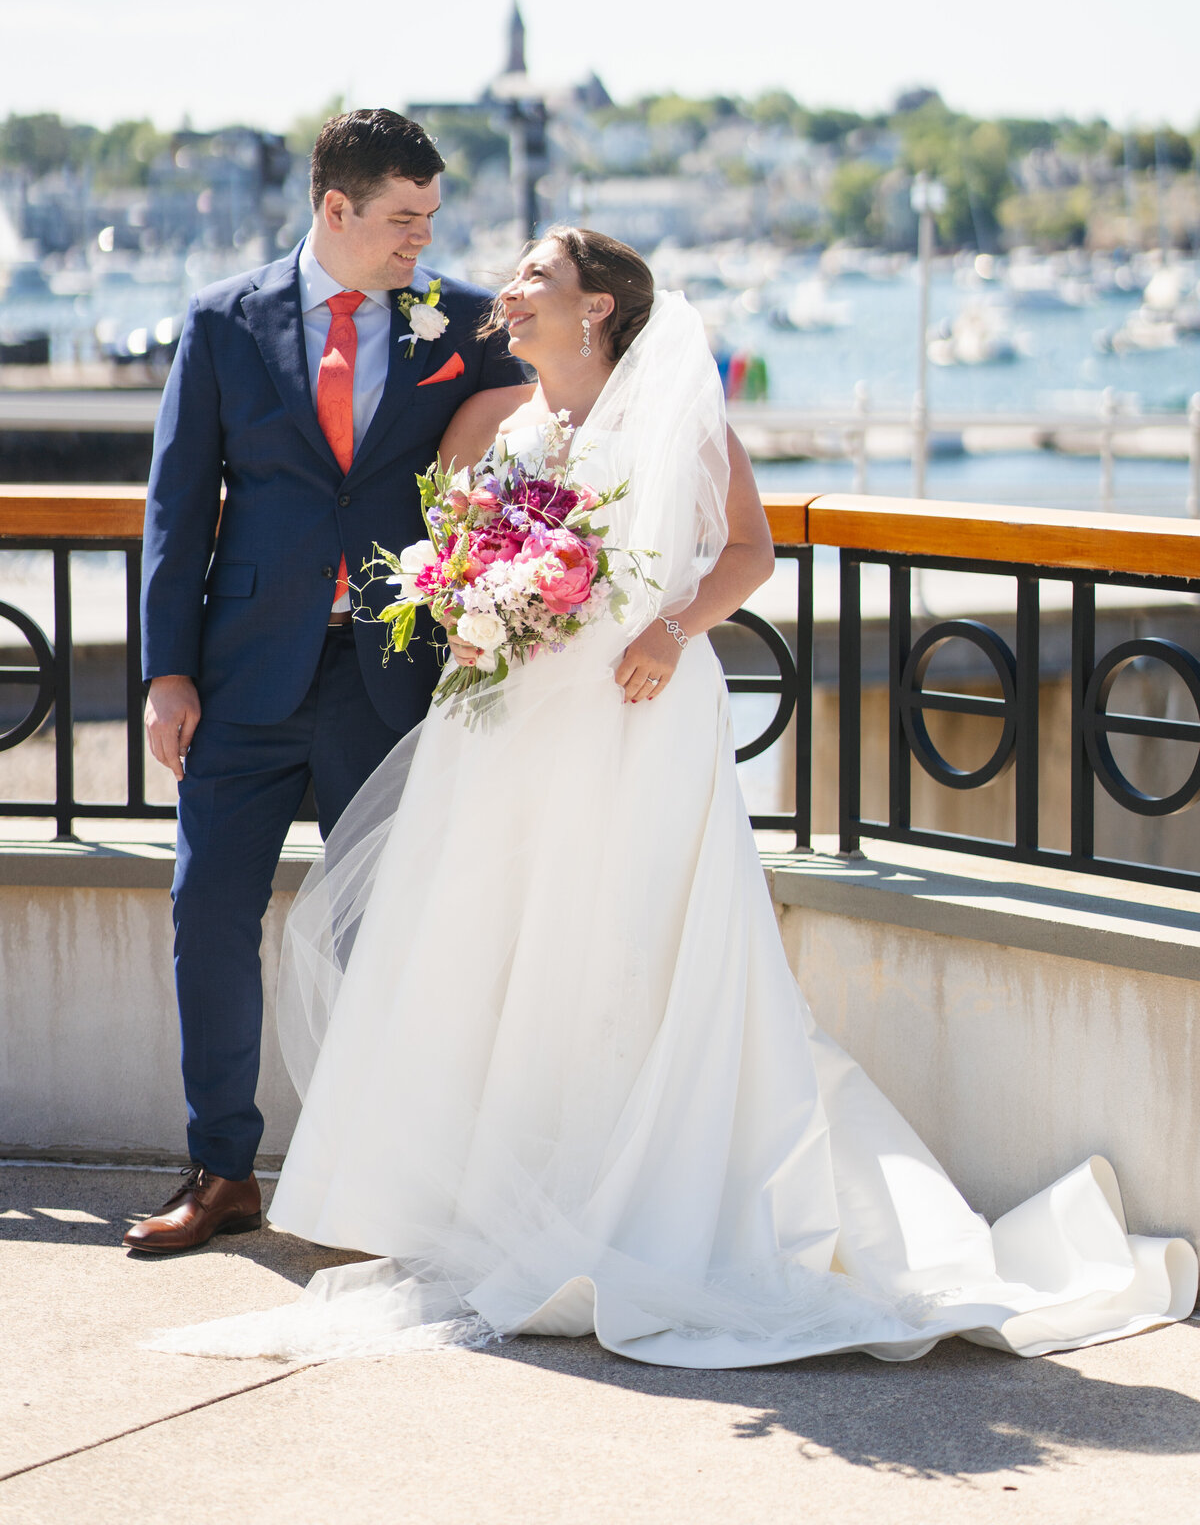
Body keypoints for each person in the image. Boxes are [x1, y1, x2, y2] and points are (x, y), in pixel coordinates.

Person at [151, 229, 1197, 1365]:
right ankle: (510, 1193)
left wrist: (668, 629)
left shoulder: (669, 413)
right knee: (508, 948)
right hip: (510, 719)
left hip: (636, 711)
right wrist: (469, 607)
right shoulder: (499, 422)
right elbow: (449, 551)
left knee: (630, 943)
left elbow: (746, 551)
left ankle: (644, 1193)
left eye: (535, 278)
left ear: (596, 308)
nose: (507, 290)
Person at [125, 110, 530, 1255]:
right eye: (404, 220)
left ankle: (388, 1178)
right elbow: (175, 508)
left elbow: (536, 441)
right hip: (242, 678)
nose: (424, 241)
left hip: (388, 679)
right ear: (335, 210)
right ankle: (220, 1171)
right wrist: (166, 671)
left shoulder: (459, 323)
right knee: (208, 916)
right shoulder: (221, 322)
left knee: (386, 933)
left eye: (432, 219)